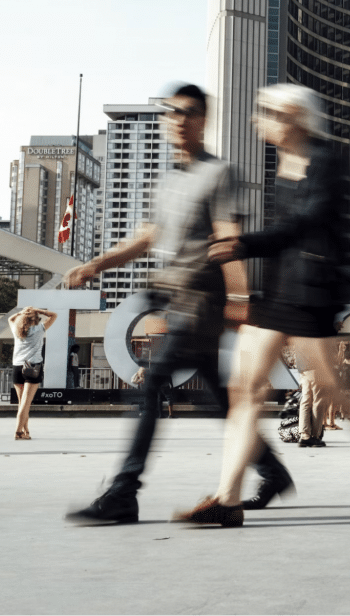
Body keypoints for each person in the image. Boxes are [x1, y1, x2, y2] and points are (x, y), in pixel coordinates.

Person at [175, 84, 350, 526]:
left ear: (295, 118)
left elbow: (306, 223)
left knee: (335, 392)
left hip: (311, 295)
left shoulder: (324, 160)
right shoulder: (283, 164)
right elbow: (286, 234)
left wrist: (243, 244)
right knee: (244, 388)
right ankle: (227, 498)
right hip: (279, 291)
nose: (259, 119)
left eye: (269, 112)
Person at [65, 83, 292, 525]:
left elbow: (228, 236)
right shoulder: (169, 180)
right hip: (176, 299)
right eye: (171, 112)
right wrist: (97, 264)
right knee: (217, 399)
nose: (178, 119)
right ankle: (273, 471)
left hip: (203, 300)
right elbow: (148, 237)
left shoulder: (219, 173)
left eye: (188, 112)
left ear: (203, 120)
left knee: (152, 384)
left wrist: (240, 298)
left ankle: (124, 491)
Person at [7, 306, 57, 440]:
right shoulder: (39, 329)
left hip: (17, 367)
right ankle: (18, 432)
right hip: (32, 367)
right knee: (26, 403)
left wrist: (22, 312)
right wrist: (39, 310)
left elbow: (10, 319)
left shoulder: (16, 329)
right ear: (35, 318)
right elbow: (54, 315)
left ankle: (26, 431)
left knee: (22, 403)